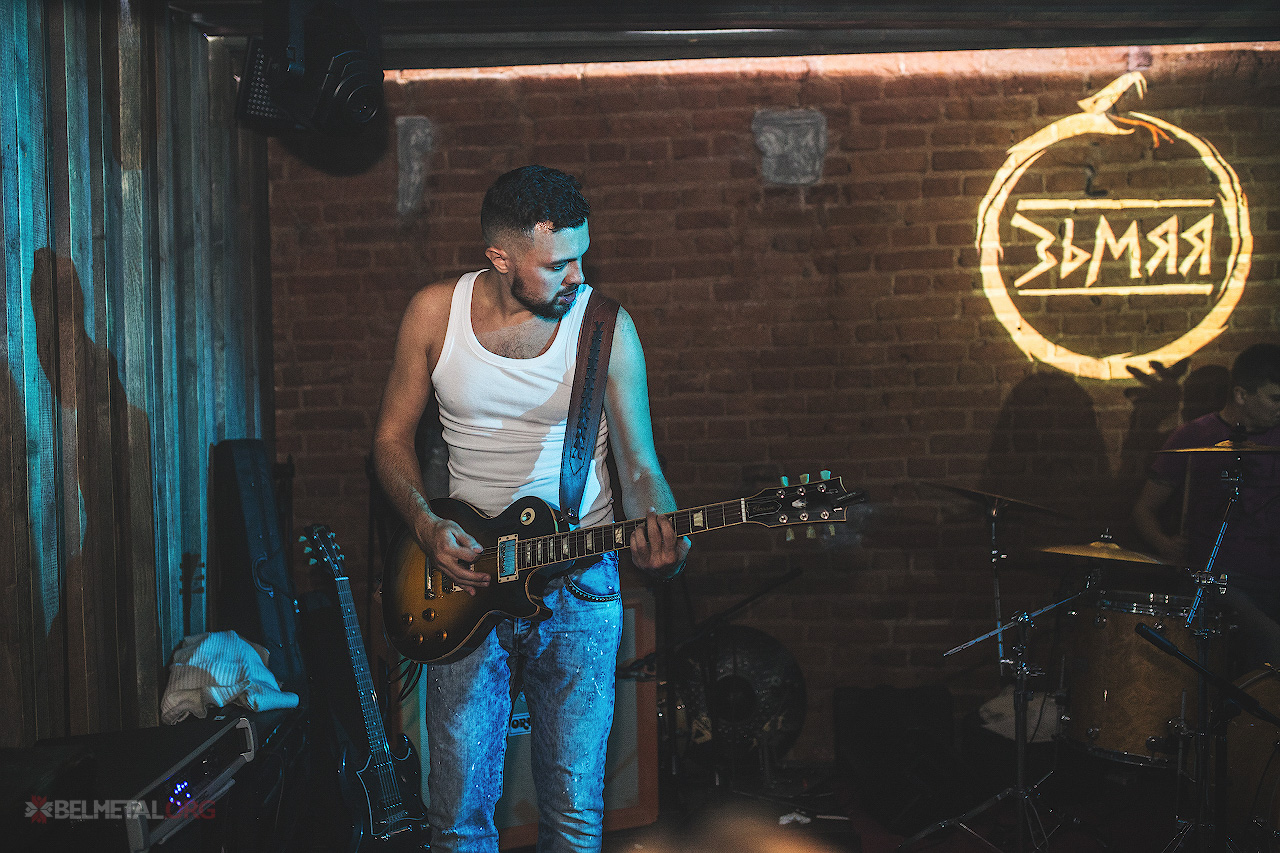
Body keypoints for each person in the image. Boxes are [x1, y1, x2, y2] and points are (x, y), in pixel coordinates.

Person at [371, 165, 690, 853]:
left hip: (580, 577)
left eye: (581, 256)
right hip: (466, 582)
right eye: (556, 264)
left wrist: (662, 526)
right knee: (457, 815)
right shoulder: (434, 314)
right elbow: (391, 440)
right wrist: (425, 525)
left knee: (574, 813)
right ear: (500, 257)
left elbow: (639, 465)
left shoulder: (605, 327)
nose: (577, 276)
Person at [1132, 342, 1280, 671]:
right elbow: (1143, 510)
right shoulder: (1194, 436)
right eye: (1275, 399)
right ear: (1241, 395)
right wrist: (1166, 546)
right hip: (1219, 581)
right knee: (1273, 642)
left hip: (1273, 578)